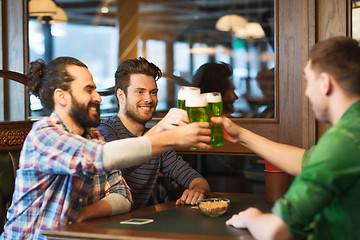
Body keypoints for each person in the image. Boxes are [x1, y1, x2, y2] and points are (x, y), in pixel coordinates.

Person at [0, 57, 212, 239]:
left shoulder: (93, 136)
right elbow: (102, 156)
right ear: (61, 96)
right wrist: (168, 134)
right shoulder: (45, 135)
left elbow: (123, 195)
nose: (98, 97)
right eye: (89, 90)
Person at [212, 36, 360, 239]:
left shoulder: (343, 138)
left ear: (325, 83)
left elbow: (277, 230)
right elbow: (307, 161)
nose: (307, 92)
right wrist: (241, 136)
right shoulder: (353, 128)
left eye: (308, 81)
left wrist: (251, 217)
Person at [96, 57, 211, 209]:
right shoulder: (104, 131)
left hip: (137, 222)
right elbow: (119, 164)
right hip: (103, 224)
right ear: (121, 96)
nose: (149, 99)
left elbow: (195, 178)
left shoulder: (157, 139)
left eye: (153, 92)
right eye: (140, 92)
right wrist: (161, 129)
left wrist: (197, 190)